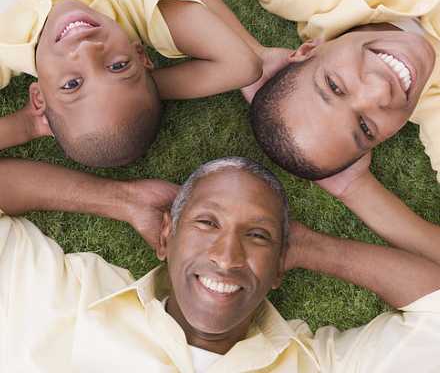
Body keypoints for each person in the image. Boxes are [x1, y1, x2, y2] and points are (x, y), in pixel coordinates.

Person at [1, 156, 439, 372]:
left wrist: (307, 246)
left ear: (280, 266)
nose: (227, 257)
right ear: (166, 236)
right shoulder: (67, 301)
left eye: (257, 236)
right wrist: (123, 199)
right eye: (208, 222)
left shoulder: (319, 364)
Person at [130, 0, 440, 181]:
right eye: (366, 128)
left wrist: (247, 52)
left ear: (307, 51)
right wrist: (352, 190)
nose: (379, 91)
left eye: (334, 86)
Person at [0, 0, 262, 167]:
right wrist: (142, 83)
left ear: (38, 99)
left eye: (72, 84)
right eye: (118, 66)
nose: (88, 50)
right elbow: (242, 65)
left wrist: (27, 126)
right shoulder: (130, 3)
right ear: (140, 56)